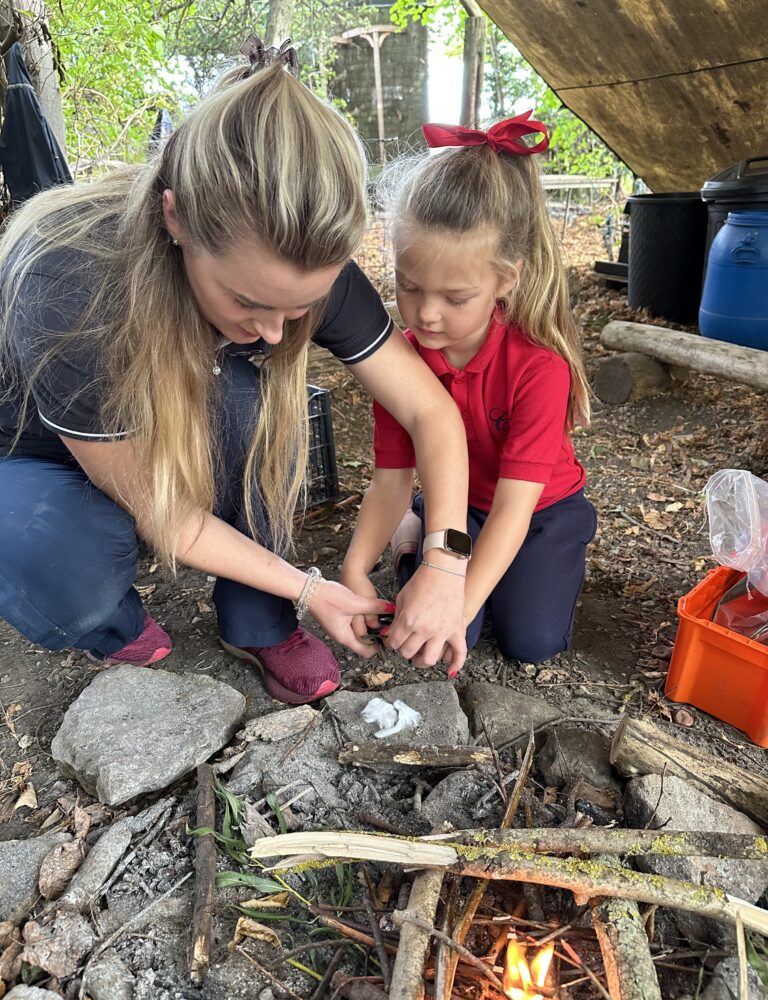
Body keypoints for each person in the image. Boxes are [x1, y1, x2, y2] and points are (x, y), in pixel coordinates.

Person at [0, 51, 472, 706]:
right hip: (36, 452)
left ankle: (256, 622)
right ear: (176, 219)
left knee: (247, 396)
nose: (278, 332)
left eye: (300, 306)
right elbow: (167, 513)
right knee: (49, 550)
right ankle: (109, 622)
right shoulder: (71, 280)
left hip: (155, 424)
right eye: (248, 301)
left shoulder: (309, 265)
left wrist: (449, 561)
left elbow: (431, 414)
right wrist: (312, 588)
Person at [341, 113, 597, 665]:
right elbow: (390, 479)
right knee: (445, 637)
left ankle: (540, 566)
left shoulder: (539, 367)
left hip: (538, 510)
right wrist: (355, 568)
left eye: (455, 298)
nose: (427, 315)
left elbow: (513, 508)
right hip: (458, 507)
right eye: (408, 287)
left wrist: (455, 607)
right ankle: (416, 535)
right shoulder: (402, 360)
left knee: (530, 642)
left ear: (505, 279)